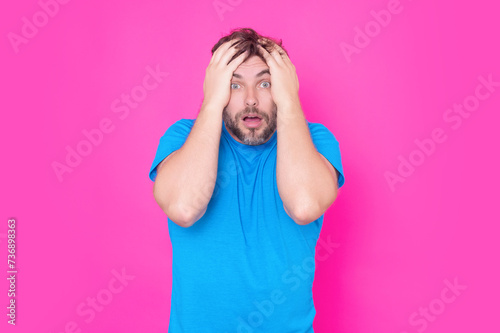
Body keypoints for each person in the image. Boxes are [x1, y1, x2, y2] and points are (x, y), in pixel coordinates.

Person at [149, 27, 345, 333]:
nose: (251, 100)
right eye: (235, 85)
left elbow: (304, 206)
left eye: (265, 83)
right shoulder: (182, 138)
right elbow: (183, 208)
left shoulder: (316, 141)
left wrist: (290, 102)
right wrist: (212, 102)